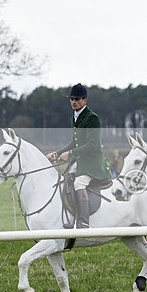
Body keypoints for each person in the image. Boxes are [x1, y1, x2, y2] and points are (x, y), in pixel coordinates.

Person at [46, 83, 112, 228]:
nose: (74, 102)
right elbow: (74, 142)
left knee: (78, 183)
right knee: (65, 179)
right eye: (72, 99)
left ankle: (83, 222)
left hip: (93, 164)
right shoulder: (75, 117)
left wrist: (70, 153)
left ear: (85, 100)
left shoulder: (91, 118)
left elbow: (92, 145)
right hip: (81, 162)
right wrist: (56, 154)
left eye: (77, 99)